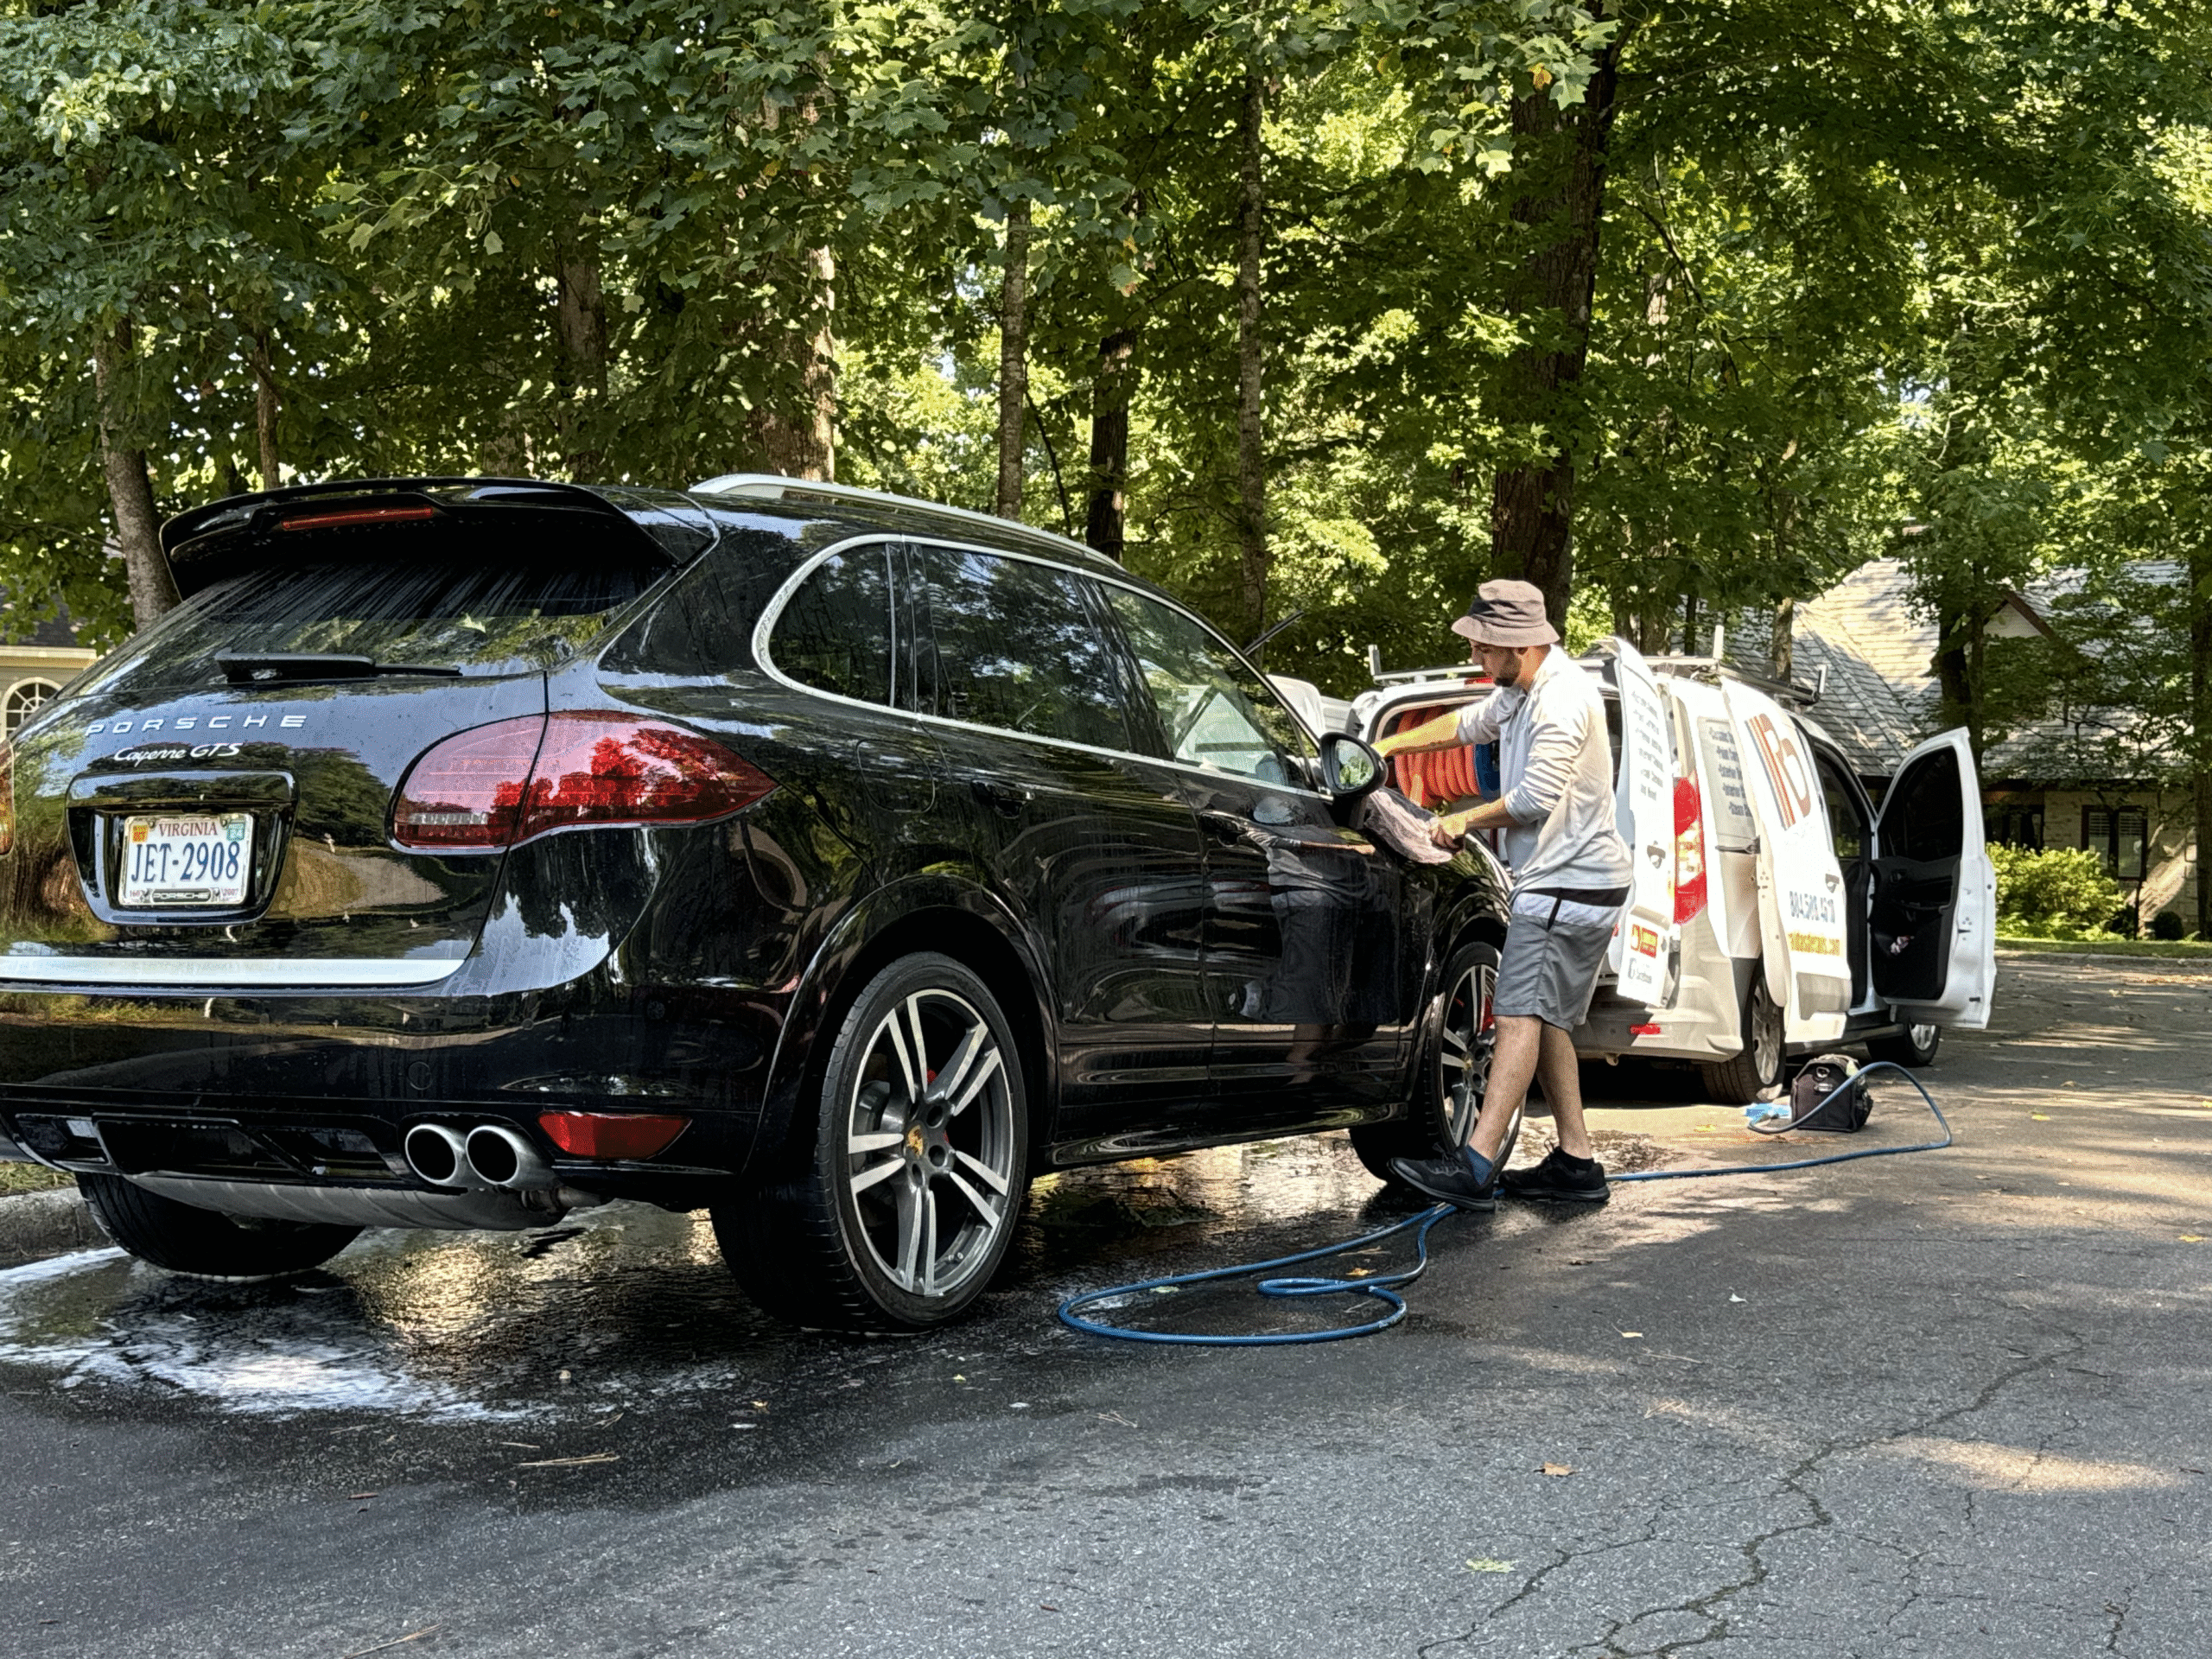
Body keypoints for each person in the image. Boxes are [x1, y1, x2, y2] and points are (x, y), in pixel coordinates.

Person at [1371, 579, 1632, 1208]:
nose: (1477, 660)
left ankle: (1477, 1162)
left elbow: (1536, 799)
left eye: (1486, 649)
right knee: (1547, 1023)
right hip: (1571, 881)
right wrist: (1386, 745)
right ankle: (1577, 1163)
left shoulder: (1561, 702)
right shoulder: (1521, 690)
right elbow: (1468, 724)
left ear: (1521, 645)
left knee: (1517, 1013)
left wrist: (1462, 820)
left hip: (1568, 883)